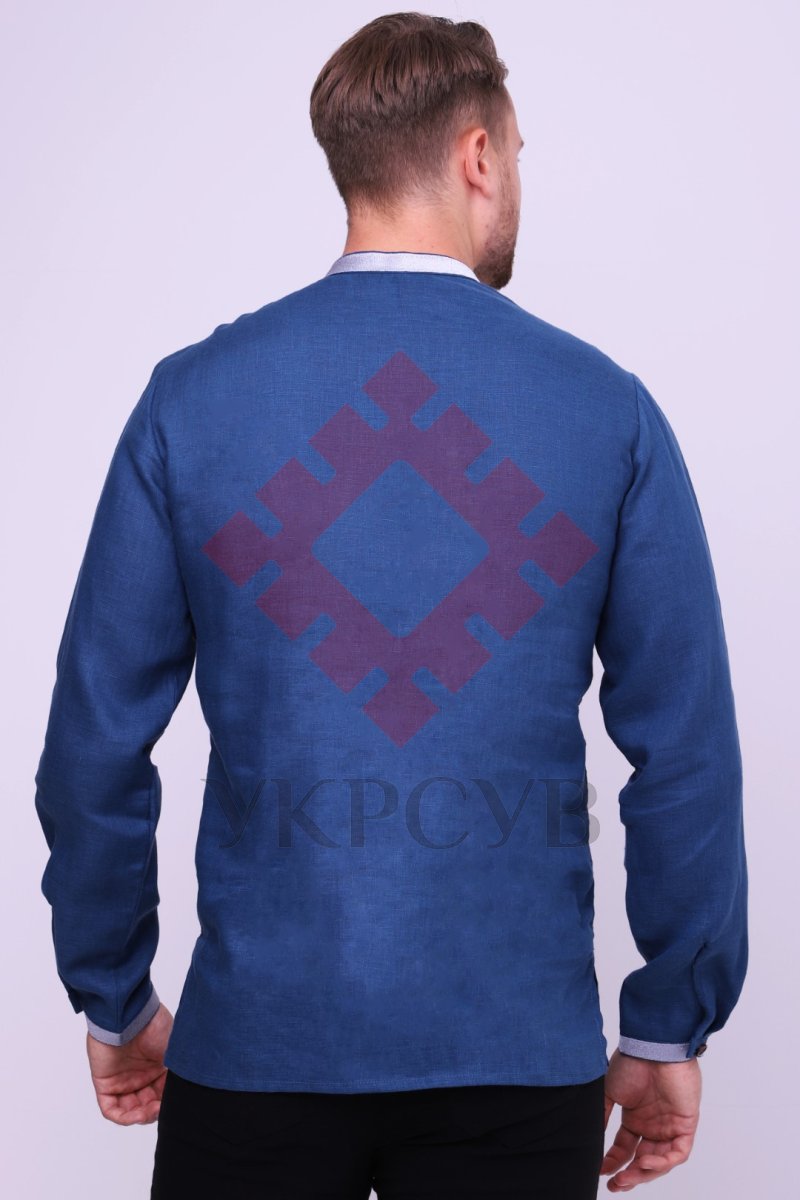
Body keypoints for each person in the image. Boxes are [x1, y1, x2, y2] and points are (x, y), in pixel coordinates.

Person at [33, 12, 748, 1199]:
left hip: (254, 1058)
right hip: (516, 1066)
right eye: (516, 152)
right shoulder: (605, 412)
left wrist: (112, 995)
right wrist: (667, 1022)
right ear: (476, 155)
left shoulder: (190, 403)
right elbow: (683, 753)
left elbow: (93, 745)